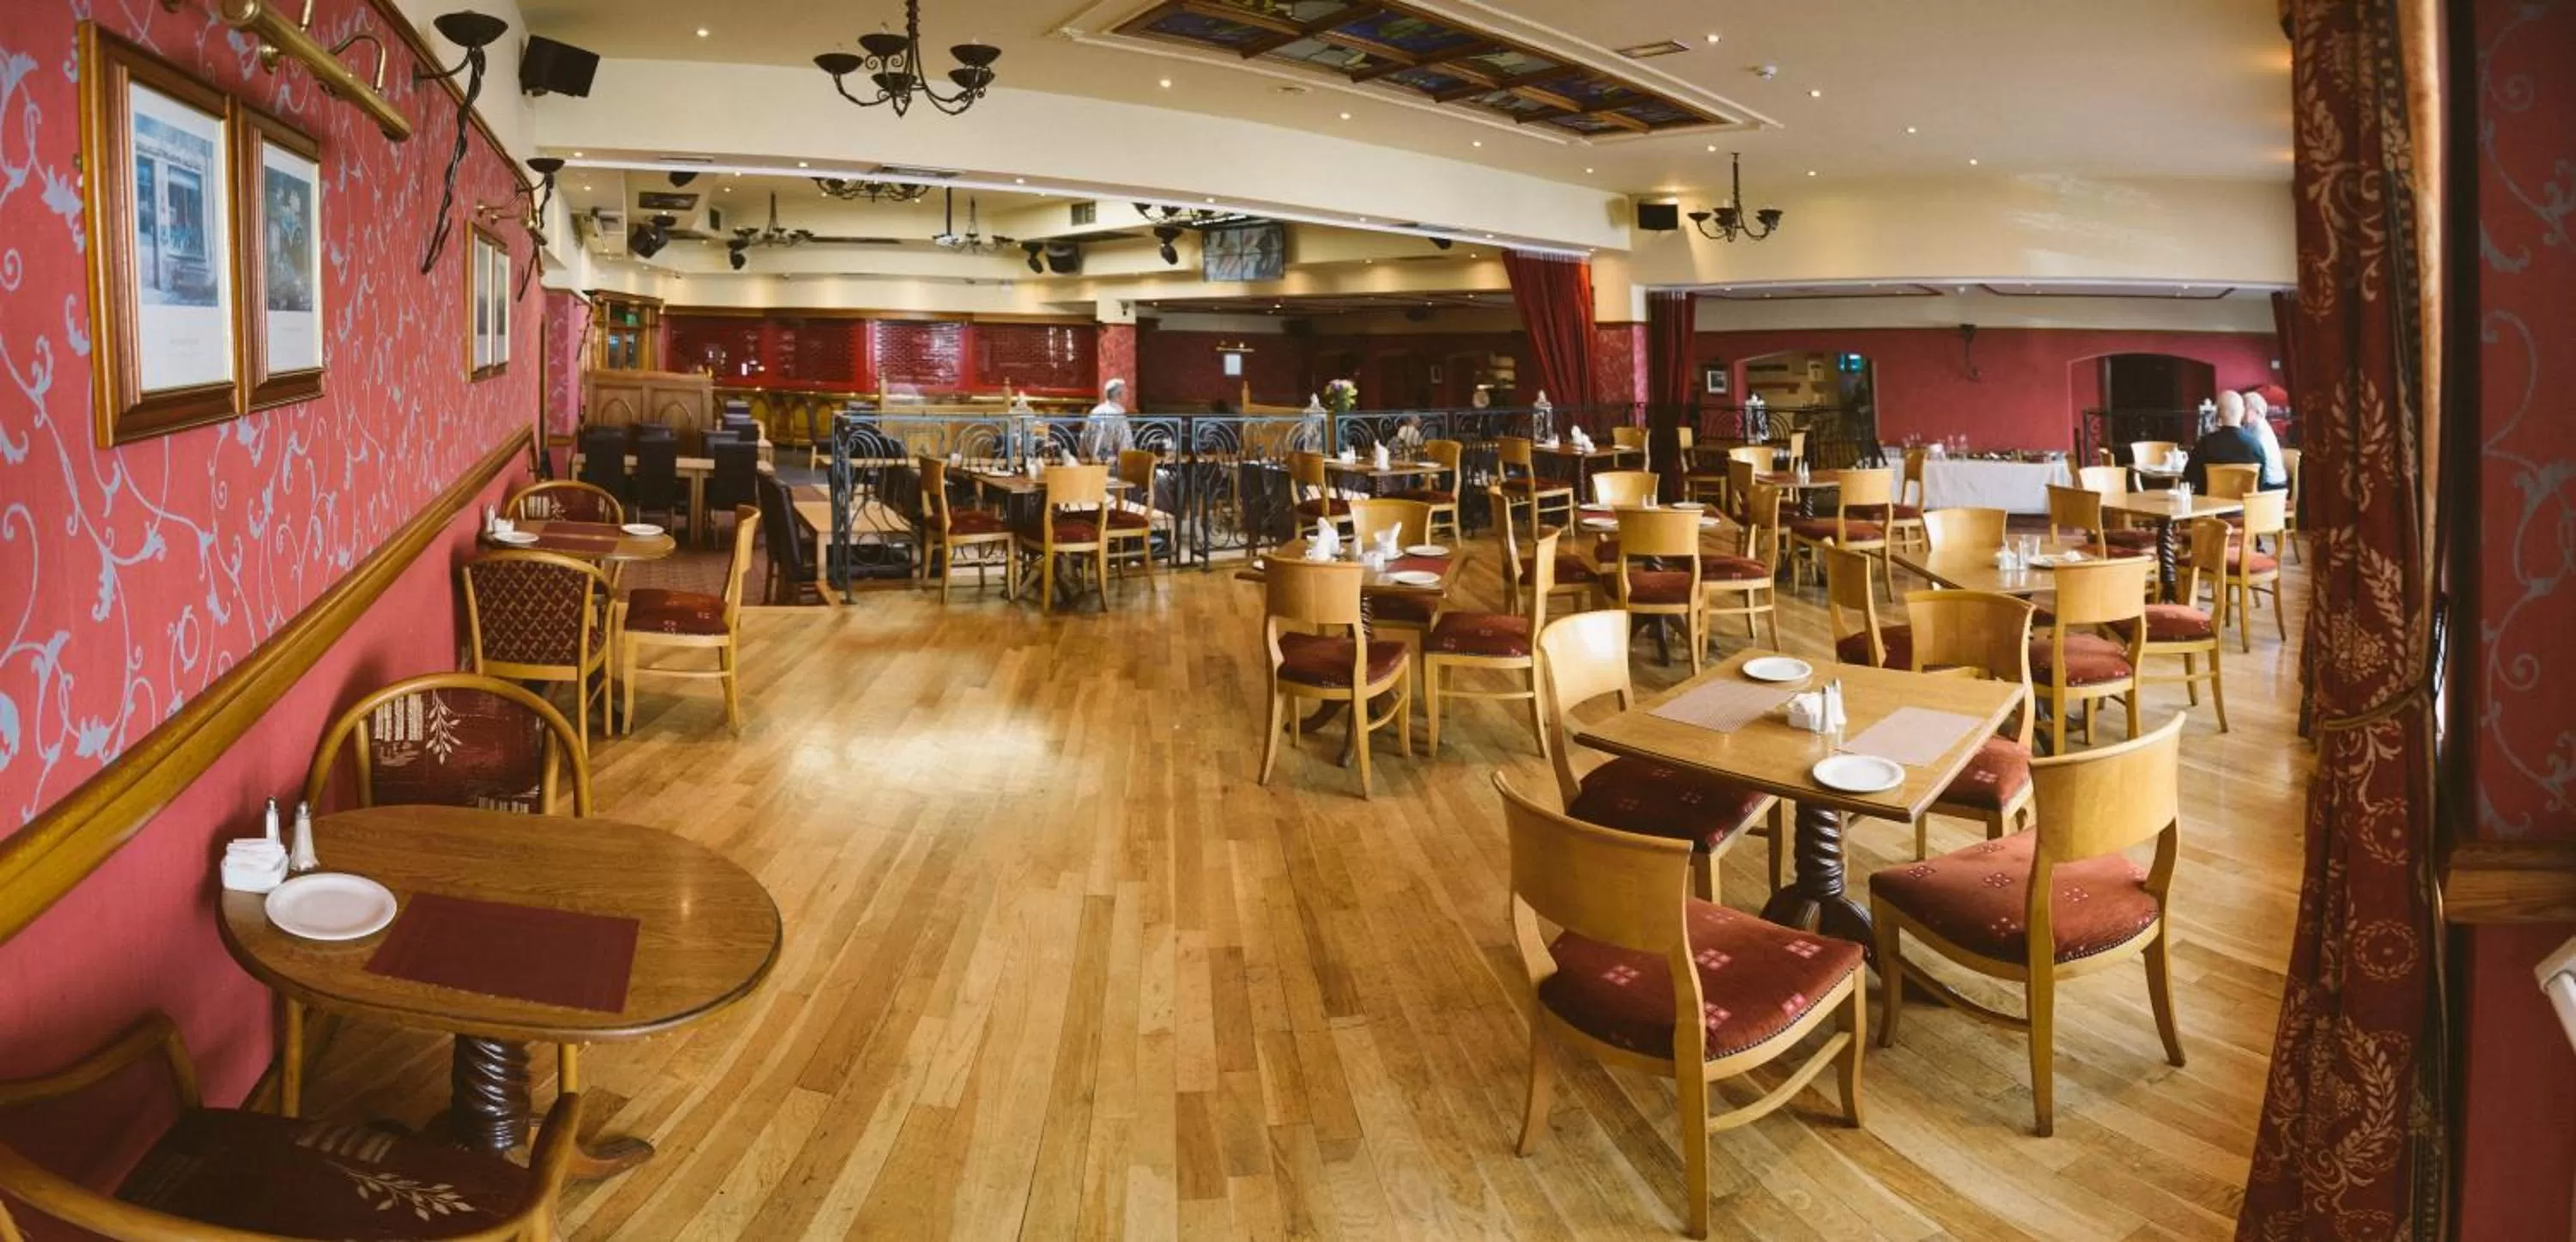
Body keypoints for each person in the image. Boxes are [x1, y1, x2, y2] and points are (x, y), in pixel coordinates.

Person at [2182, 390, 2263, 492]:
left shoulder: (2205, 444)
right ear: (2242, 412)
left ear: (2218, 414)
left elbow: (2189, 477)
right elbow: (2261, 484)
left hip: (2209, 506)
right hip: (2244, 506)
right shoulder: (2255, 445)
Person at [2242, 389, 2288, 490]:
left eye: (2244, 407)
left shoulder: (2259, 428)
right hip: (2271, 481)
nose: (2241, 411)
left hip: (2272, 485)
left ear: (2256, 410)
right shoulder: (2252, 426)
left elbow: (2253, 457)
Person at [1080, 377, 1133, 461]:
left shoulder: (1094, 412)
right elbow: (1125, 450)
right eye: (1127, 393)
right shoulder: (1118, 416)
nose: (1128, 396)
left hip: (1091, 466)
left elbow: (1083, 440)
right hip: (1112, 468)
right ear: (1120, 395)